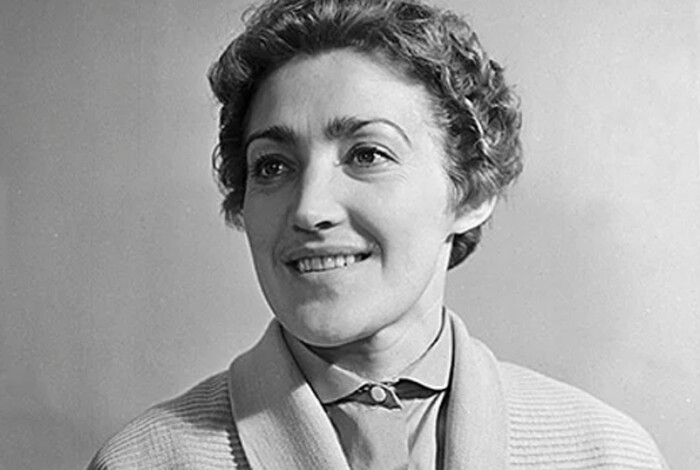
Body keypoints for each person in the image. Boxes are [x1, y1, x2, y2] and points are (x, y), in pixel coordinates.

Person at [88, 0, 668, 468]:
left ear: (470, 192)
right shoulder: (147, 460)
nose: (309, 209)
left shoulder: (607, 454)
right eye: (273, 165)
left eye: (367, 154)